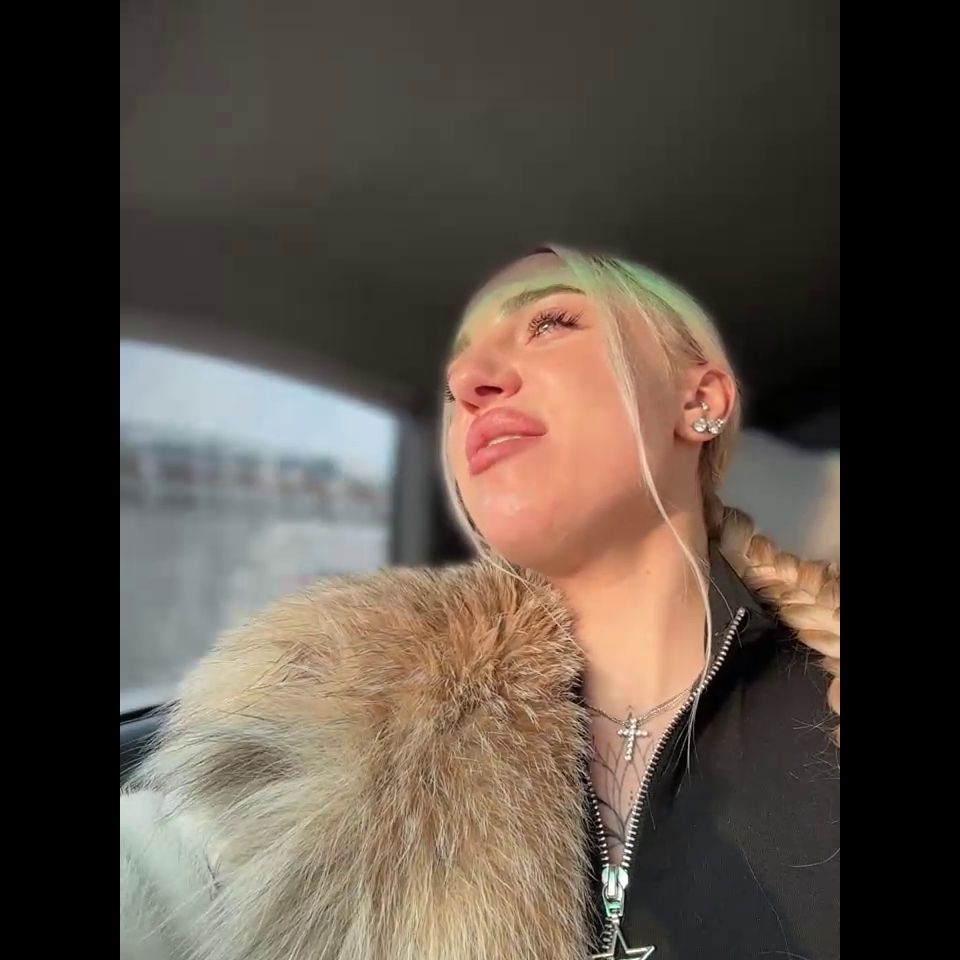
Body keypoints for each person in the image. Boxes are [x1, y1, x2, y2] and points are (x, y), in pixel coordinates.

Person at [120, 246, 840, 960]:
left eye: (551, 323)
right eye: (452, 379)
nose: (466, 382)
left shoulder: (818, 688)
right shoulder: (351, 696)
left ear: (698, 402)